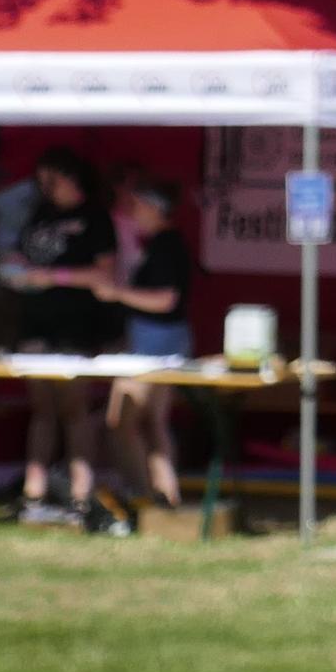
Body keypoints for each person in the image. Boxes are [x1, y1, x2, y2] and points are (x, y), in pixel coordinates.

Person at [1, 148, 119, 527]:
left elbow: (105, 274)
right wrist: (17, 270)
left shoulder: (94, 218)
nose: (46, 187)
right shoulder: (40, 213)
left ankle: (82, 493)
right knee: (42, 409)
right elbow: (22, 255)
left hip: (75, 325)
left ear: (71, 177)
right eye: (41, 181)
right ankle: (33, 491)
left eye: (51, 179)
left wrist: (53, 277)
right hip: (36, 324)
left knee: (74, 408)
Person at [97, 172, 193, 512]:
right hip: (158, 339)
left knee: (122, 422)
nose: (132, 211)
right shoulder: (161, 244)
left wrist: (117, 293)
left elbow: (165, 300)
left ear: (154, 208)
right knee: (153, 423)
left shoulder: (166, 246)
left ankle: (144, 496)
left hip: (156, 343)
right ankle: (164, 495)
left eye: (136, 205)